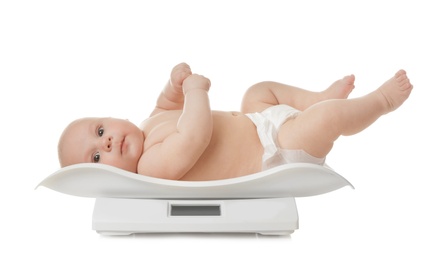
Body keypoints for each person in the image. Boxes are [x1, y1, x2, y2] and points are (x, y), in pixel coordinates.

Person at [58, 63, 413, 181]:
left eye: (100, 131)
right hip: (277, 154)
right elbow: (194, 136)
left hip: (258, 122)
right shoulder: (150, 166)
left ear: (113, 117)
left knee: (258, 91)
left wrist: (175, 85)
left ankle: (314, 99)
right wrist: (196, 90)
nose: (104, 143)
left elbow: (168, 105)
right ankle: (380, 101)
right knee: (328, 120)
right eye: (96, 158)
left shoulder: (148, 124)